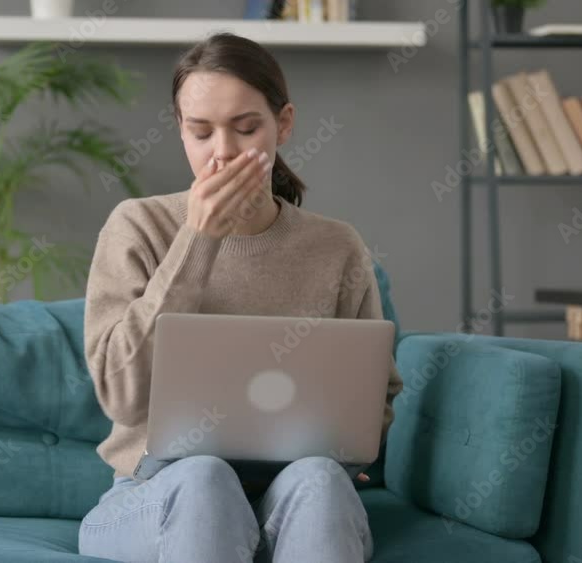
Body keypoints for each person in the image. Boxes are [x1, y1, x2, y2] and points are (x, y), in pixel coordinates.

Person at [79, 32, 403, 563]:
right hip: (161, 491)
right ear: (181, 131)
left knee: (322, 481)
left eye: (246, 127)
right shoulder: (137, 226)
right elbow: (120, 392)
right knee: (205, 477)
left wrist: (347, 454)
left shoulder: (336, 246)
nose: (223, 151)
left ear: (285, 123)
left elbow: (377, 393)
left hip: (294, 493)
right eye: (201, 132)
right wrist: (198, 240)